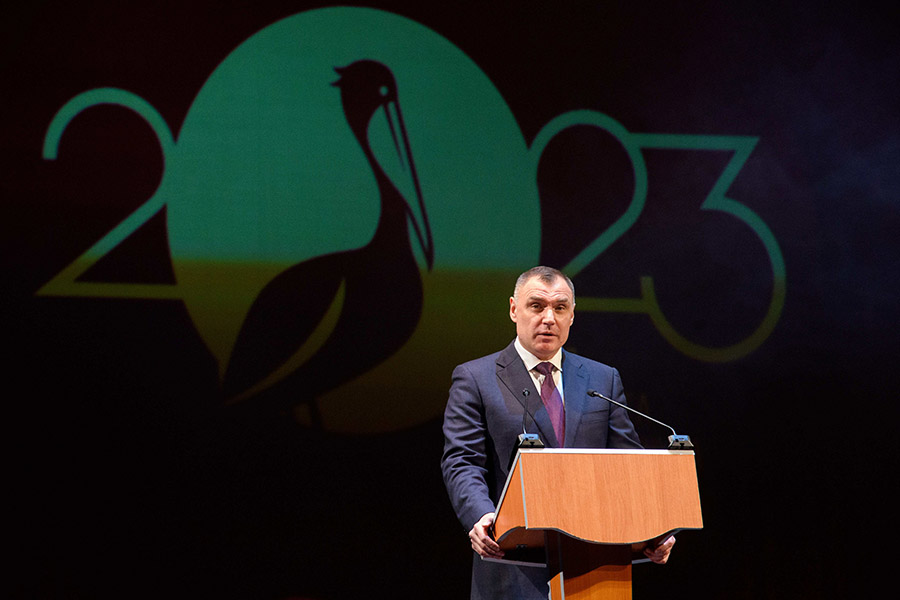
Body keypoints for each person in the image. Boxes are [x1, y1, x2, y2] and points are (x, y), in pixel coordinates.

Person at [440, 266, 675, 599]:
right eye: (536, 306)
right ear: (514, 309)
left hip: (595, 570)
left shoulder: (602, 379)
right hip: (512, 566)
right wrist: (481, 515)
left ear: (572, 315)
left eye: (560, 308)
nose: (548, 318)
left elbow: (629, 466)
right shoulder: (476, 379)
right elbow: (462, 461)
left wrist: (656, 528)